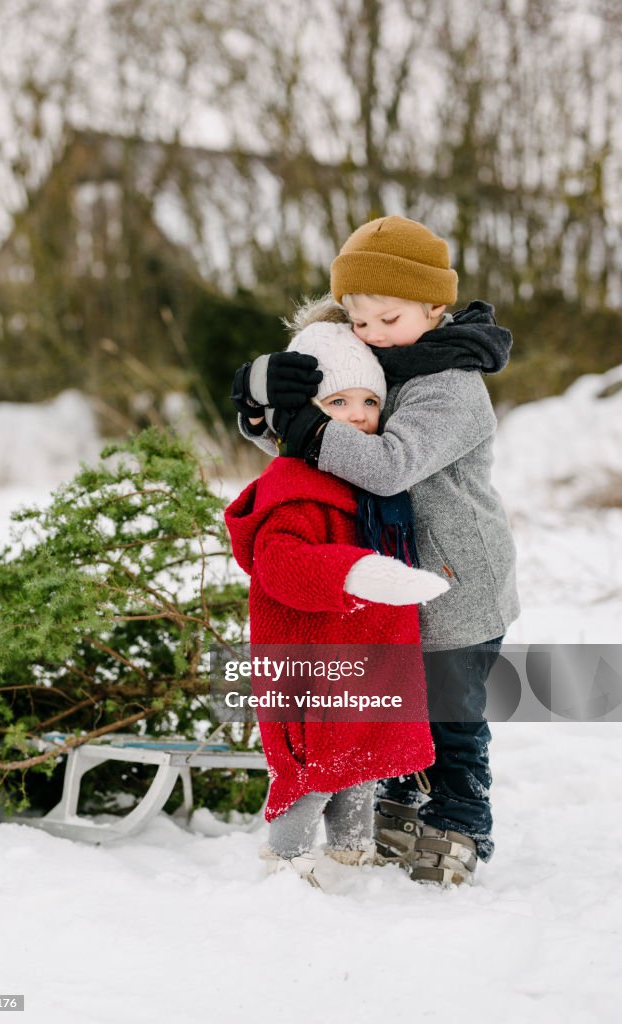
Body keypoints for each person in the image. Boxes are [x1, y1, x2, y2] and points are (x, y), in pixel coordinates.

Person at [231, 214, 520, 886]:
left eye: (387, 318)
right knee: (394, 702)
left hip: (455, 584)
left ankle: (456, 821)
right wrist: (265, 415)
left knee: (448, 714)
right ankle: (398, 803)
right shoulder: (376, 367)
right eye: (358, 321)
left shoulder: (450, 386)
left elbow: (385, 464)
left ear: (434, 307)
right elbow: (326, 448)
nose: (370, 335)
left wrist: (305, 425)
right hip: (387, 589)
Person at [225, 321, 448, 888]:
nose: (356, 414)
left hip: (368, 650)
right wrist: (355, 572)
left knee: (362, 757)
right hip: (317, 654)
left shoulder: (369, 479)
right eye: (337, 401)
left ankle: (352, 850)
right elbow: (279, 563)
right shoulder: (295, 482)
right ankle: (287, 856)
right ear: (305, 412)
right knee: (316, 763)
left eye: (369, 401)